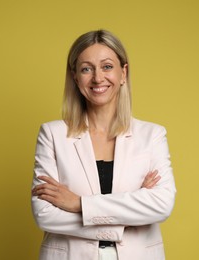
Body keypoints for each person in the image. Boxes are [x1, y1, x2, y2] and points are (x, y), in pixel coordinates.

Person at [31, 29, 176, 260]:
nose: (98, 78)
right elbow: (45, 214)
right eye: (87, 69)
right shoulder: (53, 134)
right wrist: (128, 214)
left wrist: (79, 204)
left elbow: (161, 205)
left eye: (107, 66)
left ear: (123, 73)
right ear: (75, 77)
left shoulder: (152, 135)